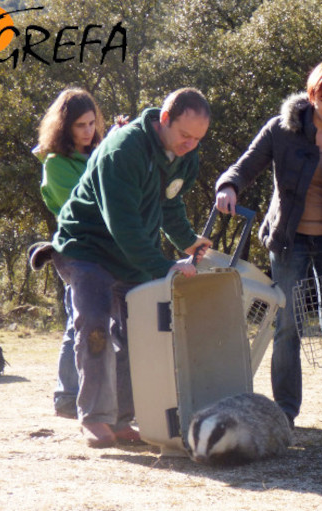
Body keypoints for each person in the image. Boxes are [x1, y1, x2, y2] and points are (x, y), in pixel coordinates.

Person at [38, 88, 213, 447]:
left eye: (198, 139)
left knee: (139, 332)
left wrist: (188, 241)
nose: (190, 145)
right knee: (96, 326)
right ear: (164, 119)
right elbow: (124, 226)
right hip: (86, 249)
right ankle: (94, 418)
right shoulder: (123, 150)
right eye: (184, 135)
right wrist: (163, 267)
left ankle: (120, 419)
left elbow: (170, 203)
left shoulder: (184, 155)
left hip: (128, 255)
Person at [215, 60, 322, 429]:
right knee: (286, 324)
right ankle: (285, 410)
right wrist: (228, 186)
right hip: (288, 241)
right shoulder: (281, 128)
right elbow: (246, 165)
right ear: (311, 94)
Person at [35, 87, 106, 419]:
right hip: (74, 250)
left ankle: (77, 395)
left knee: (82, 323)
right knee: (76, 324)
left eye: (92, 123)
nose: (89, 131)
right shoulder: (56, 165)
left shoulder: (95, 152)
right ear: (64, 127)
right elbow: (80, 203)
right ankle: (67, 396)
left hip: (101, 249)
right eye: (80, 125)